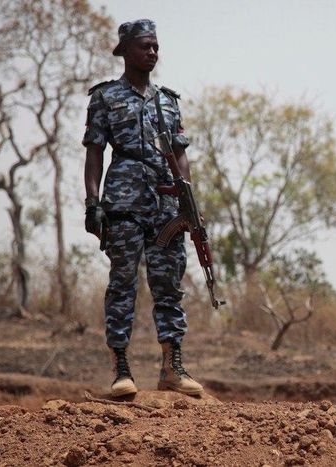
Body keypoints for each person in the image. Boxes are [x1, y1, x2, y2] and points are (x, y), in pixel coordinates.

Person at [82, 19, 203, 397]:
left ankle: (173, 368)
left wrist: (188, 201)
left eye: (155, 47)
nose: (152, 53)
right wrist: (92, 203)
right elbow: (94, 154)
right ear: (126, 52)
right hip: (123, 203)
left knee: (168, 286)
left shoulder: (168, 101)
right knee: (122, 284)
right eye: (144, 47)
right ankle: (121, 370)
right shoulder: (105, 98)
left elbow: (180, 155)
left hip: (166, 205)